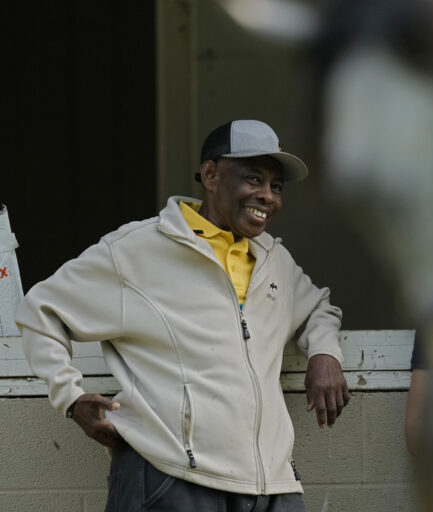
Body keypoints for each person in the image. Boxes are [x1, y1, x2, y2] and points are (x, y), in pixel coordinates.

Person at [15, 119, 350, 512]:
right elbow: (40, 311)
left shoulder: (273, 259)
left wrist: (325, 354)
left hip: (270, 485)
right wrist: (69, 397)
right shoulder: (136, 250)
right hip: (169, 478)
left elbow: (318, 308)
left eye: (276, 187)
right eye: (253, 179)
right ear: (210, 175)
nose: (267, 196)